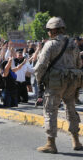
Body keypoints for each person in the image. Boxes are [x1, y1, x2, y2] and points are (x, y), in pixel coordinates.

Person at [34, 17, 83, 153]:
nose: (48, 32)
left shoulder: (50, 45)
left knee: (50, 110)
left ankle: (51, 144)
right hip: (72, 82)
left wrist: (39, 80)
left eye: (49, 30)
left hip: (55, 83)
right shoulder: (73, 44)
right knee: (71, 110)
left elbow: (41, 66)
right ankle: (76, 141)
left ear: (54, 30)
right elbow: (79, 64)